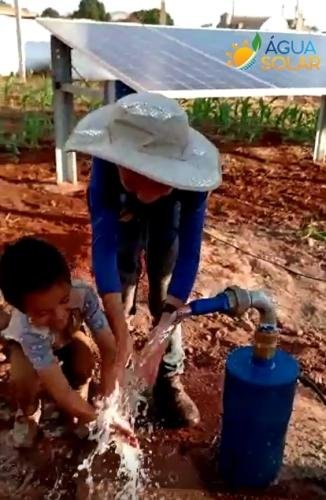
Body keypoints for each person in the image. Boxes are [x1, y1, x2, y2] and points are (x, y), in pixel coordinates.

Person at [65, 92, 221, 428]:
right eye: (136, 180)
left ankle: (168, 377)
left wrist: (163, 328)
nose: (146, 189)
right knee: (121, 283)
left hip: (169, 219)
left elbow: (189, 252)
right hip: (122, 218)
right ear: (121, 162)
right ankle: (112, 372)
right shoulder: (106, 171)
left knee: (165, 289)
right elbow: (103, 245)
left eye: (157, 183)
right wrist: (121, 331)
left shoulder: (190, 182)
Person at [0, 236, 116, 447]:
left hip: (67, 340)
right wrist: (105, 421)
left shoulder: (83, 295)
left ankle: (80, 399)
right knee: (23, 379)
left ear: (69, 282)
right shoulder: (29, 330)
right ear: (22, 309)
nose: (60, 316)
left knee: (85, 364)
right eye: (44, 312)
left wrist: (108, 400)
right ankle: (27, 413)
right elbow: (60, 391)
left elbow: (109, 349)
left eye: (63, 301)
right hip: (27, 349)